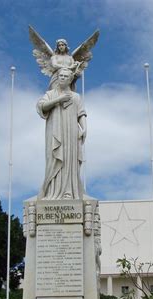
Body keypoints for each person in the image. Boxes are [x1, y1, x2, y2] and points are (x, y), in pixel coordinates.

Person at [37, 67, 87, 200]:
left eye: (66, 76)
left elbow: (81, 114)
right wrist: (58, 100)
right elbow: (41, 107)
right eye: (60, 76)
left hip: (71, 132)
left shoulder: (76, 97)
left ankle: (68, 191)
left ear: (70, 79)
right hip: (55, 132)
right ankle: (52, 192)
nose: (62, 78)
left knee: (70, 160)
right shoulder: (50, 94)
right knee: (55, 159)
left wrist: (84, 128)